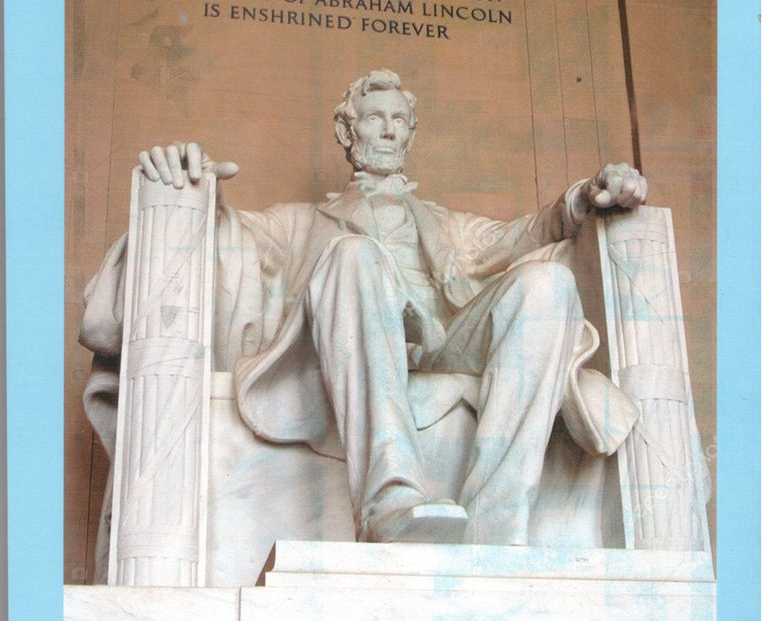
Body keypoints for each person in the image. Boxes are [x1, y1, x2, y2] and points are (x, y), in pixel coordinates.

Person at [82, 68, 646, 547]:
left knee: (548, 283)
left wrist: (584, 196)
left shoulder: (447, 225)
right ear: (346, 131)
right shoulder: (301, 223)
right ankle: (389, 500)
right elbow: (232, 240)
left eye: (399, 120)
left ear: (411, 134)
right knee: (354, 254)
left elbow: (528, 232)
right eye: (375, 118)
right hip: (355, 344)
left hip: (445, 345)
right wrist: (195, 186)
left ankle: (496, 521)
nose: (389, 129)